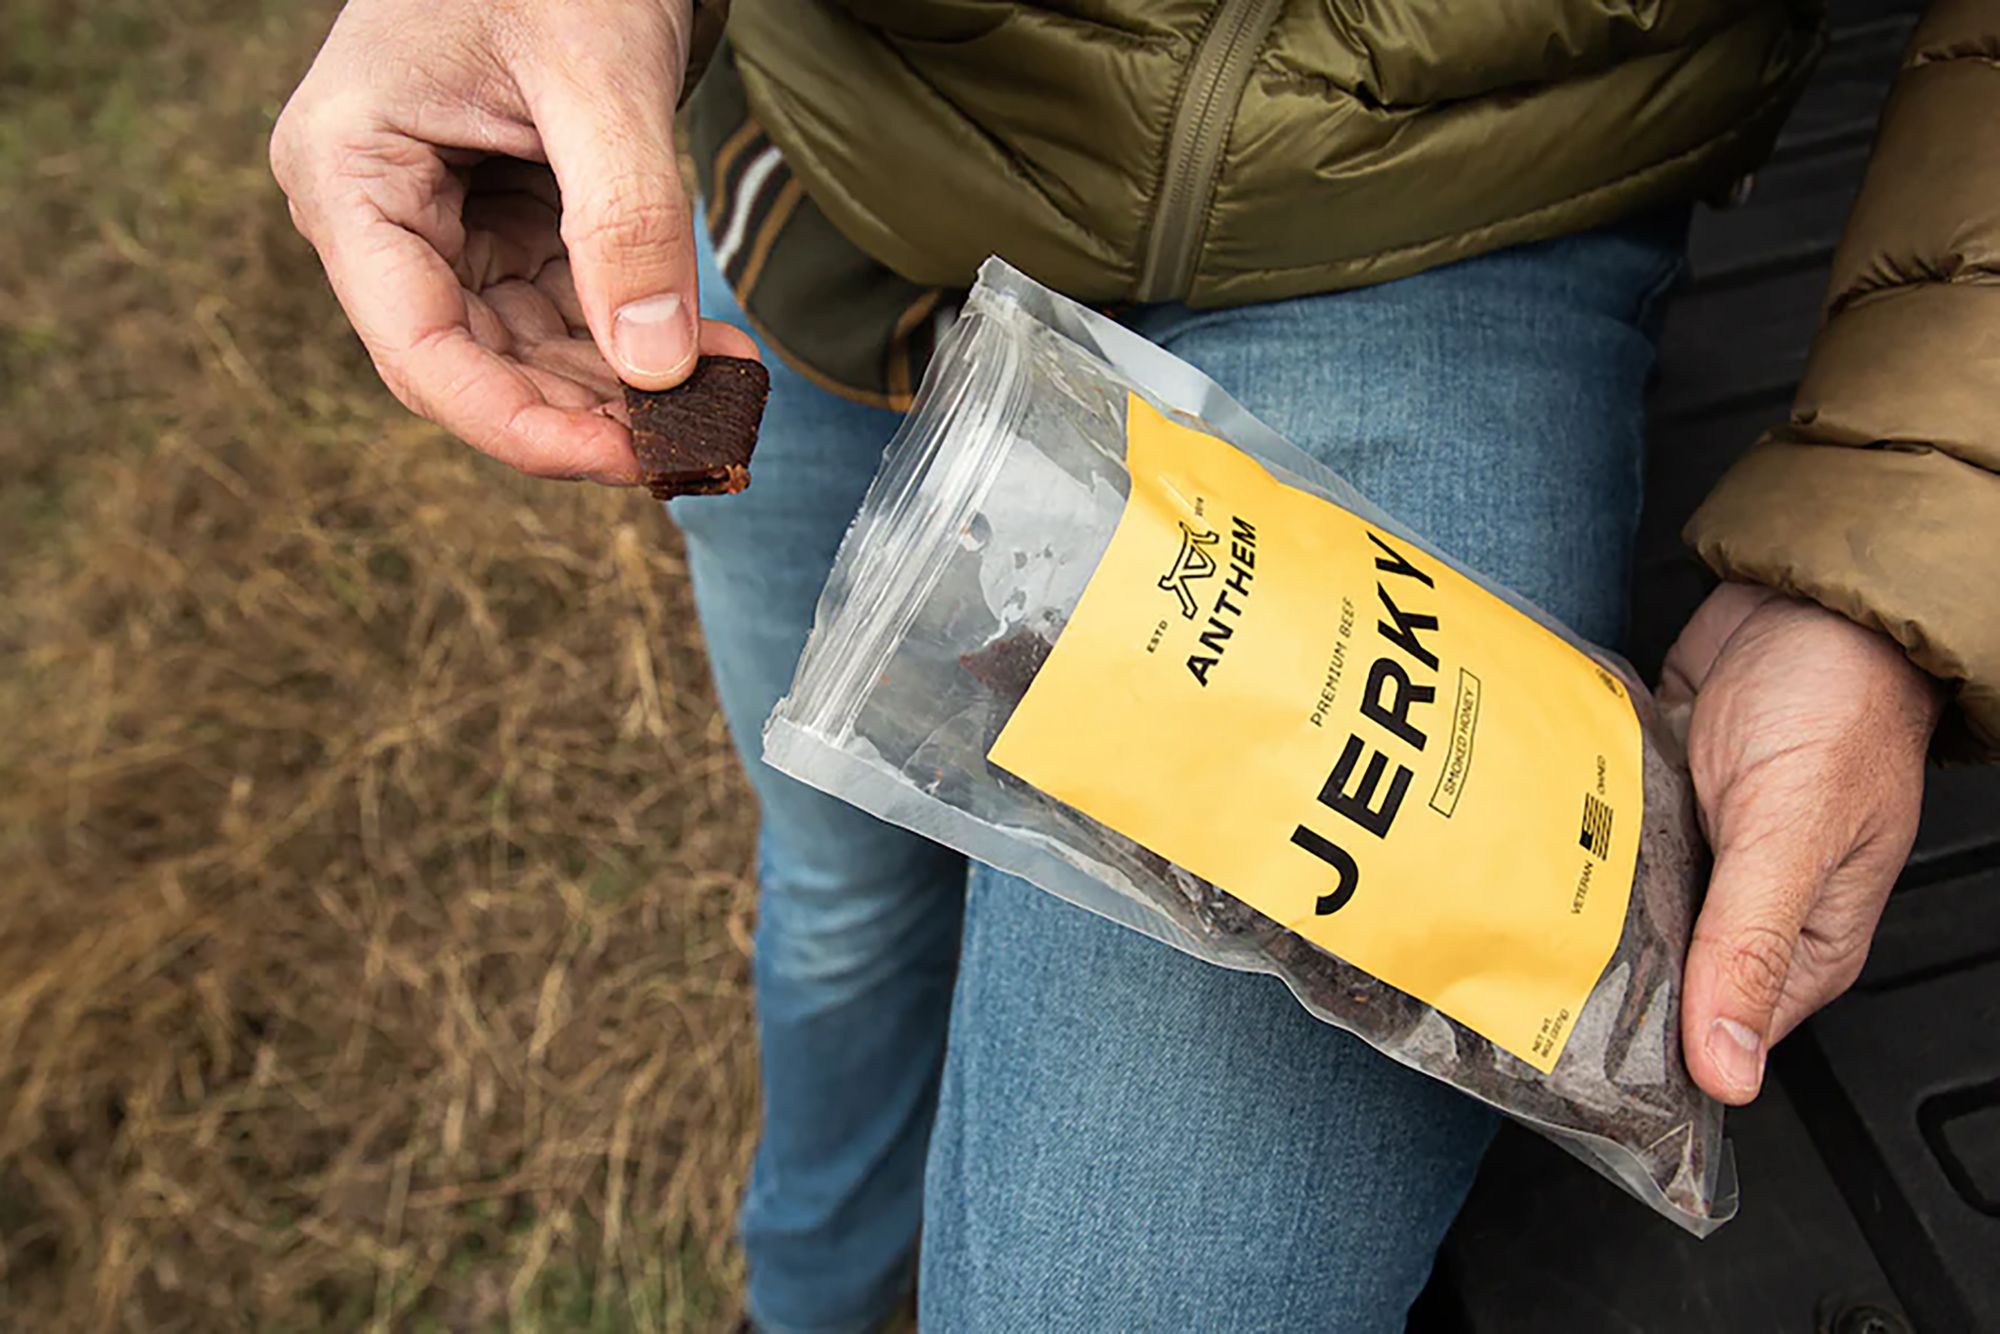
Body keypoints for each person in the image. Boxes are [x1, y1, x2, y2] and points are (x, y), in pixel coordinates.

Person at [269, 2, 1995, 1328]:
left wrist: (1899, 532)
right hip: (835, 189)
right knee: (843, 882)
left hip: (1447, 200)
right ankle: (804, 1299)